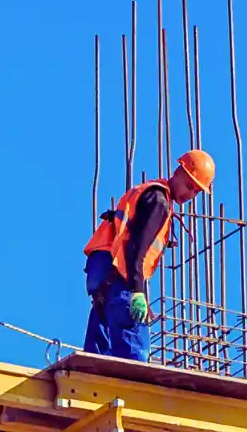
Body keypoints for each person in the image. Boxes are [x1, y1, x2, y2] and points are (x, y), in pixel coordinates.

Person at [82, 149, 216, 360]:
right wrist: (137, 291)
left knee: (97, 359)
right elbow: (136, 247)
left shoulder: (150, 192)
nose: (190, 194)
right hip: (120, 278)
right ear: (176, 172)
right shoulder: (159, 201)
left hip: (102, 277)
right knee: (135, 352)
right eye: (189, 185)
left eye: (196, 192)